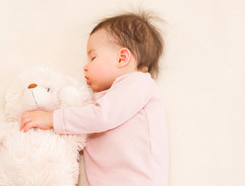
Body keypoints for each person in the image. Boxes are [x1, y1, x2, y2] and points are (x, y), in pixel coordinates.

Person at [20, 11, 169, 186]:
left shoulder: (139, 84)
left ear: (122, 58)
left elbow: (102, 116)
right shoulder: (106, 97)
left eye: (93, 57)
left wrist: (54, 118)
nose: (85, 66)